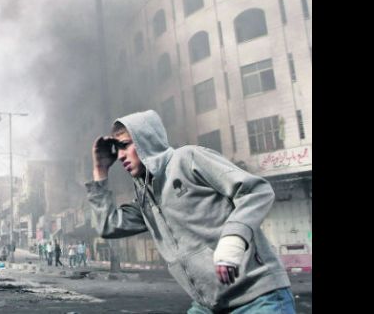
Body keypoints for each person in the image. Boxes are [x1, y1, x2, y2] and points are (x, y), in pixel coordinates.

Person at [86, 110, 295, 313]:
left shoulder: (187, 158)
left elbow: (256, 190)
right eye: (117, 149)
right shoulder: (145, 195)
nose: (120, 156)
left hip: (259, 298)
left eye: (125, 145)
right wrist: (100, 170)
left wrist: (233, 240)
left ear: (145, 140)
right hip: (209, 306)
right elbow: (108, 225)